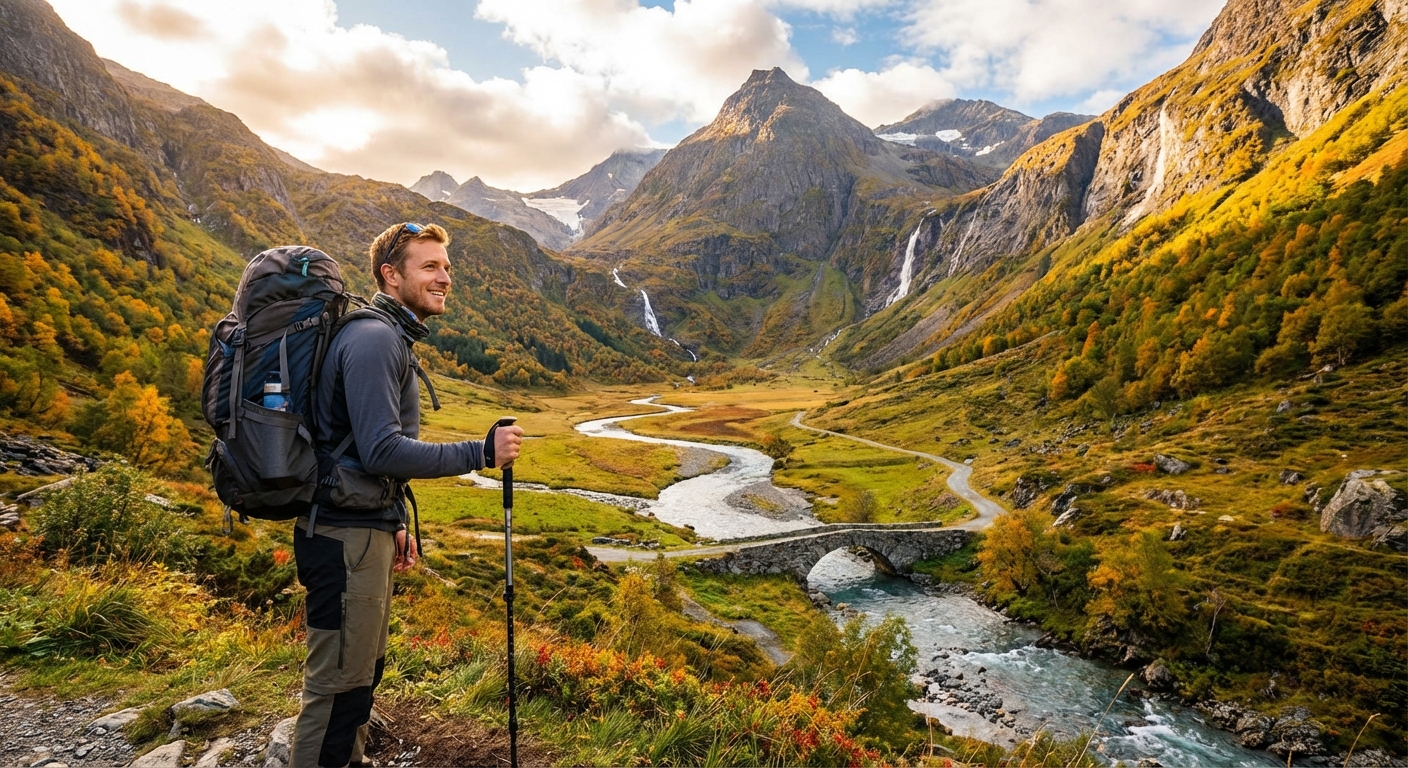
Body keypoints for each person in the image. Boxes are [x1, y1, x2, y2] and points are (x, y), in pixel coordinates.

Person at [289, 222, 523, 767]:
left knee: (359, 679)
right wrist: (481, 453)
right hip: (344, 540)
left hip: (360, 530)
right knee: (337, 691)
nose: (445, 277)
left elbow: (352, 448)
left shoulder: (383, 336)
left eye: (446, 267)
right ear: (390, 275)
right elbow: (380, 451)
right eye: (430, 266)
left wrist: (392, 518)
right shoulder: (373, 340)